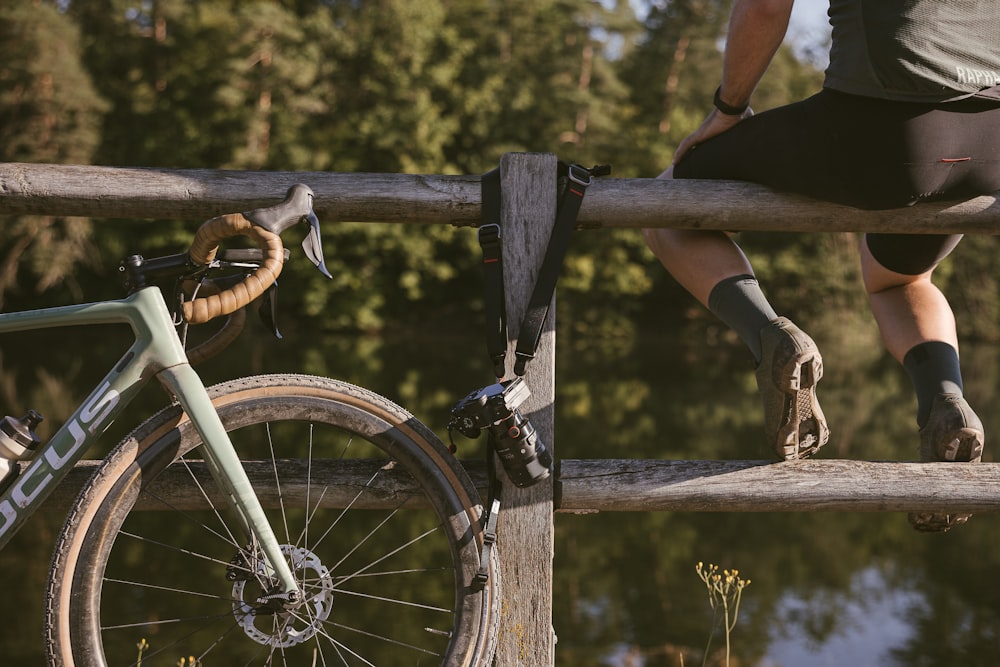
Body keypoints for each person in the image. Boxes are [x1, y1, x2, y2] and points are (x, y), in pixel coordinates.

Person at [643, 0, 1000, 532]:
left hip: (880, 130)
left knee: (666, 205)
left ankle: (772, 338)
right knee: (899, 279)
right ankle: (944, 398)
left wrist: (729, 108)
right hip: (989, 142)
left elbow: (765, 6)